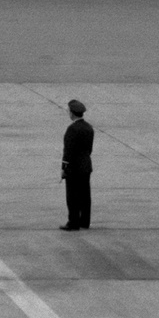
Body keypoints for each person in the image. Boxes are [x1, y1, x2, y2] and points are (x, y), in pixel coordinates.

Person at [61, 99, 94, 230]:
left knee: (72, 196)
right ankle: (84, 221)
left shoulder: (72, 129)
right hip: (86, 165)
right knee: (85, 195)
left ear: (72, 113)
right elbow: (89, 149)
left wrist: (64, 168)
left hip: (74, 167)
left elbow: (68, 151)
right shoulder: (89, 128)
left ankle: (73, 222)